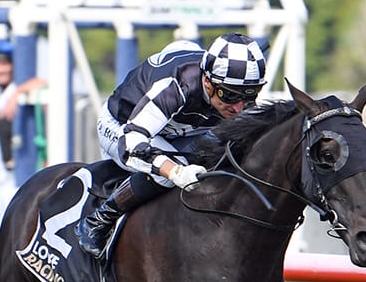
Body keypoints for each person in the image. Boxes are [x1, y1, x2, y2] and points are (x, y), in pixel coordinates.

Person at [76, 32, 267, 257]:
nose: (238, 108)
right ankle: (99, 219)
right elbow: (132, 144)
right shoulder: (178, 86)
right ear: (207, 81)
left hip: (180, 127)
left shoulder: (234, 90)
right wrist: (175, 172)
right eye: (229, 96)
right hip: (123, 127)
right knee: (173, 168)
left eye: (250, 95)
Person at [0, 39, 47, 230]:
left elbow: (43, 83)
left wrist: (17, 94)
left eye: (4, 64)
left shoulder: (15, 91)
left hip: (12, 175)